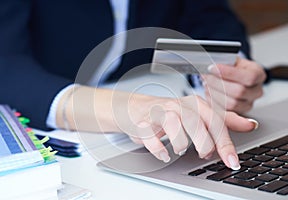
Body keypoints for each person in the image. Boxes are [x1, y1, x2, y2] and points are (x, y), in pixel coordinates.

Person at [0, 0, 266, 170]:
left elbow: (207, 17)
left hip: (147, 106)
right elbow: (6, 65)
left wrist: (221, 73)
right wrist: (128, 107)